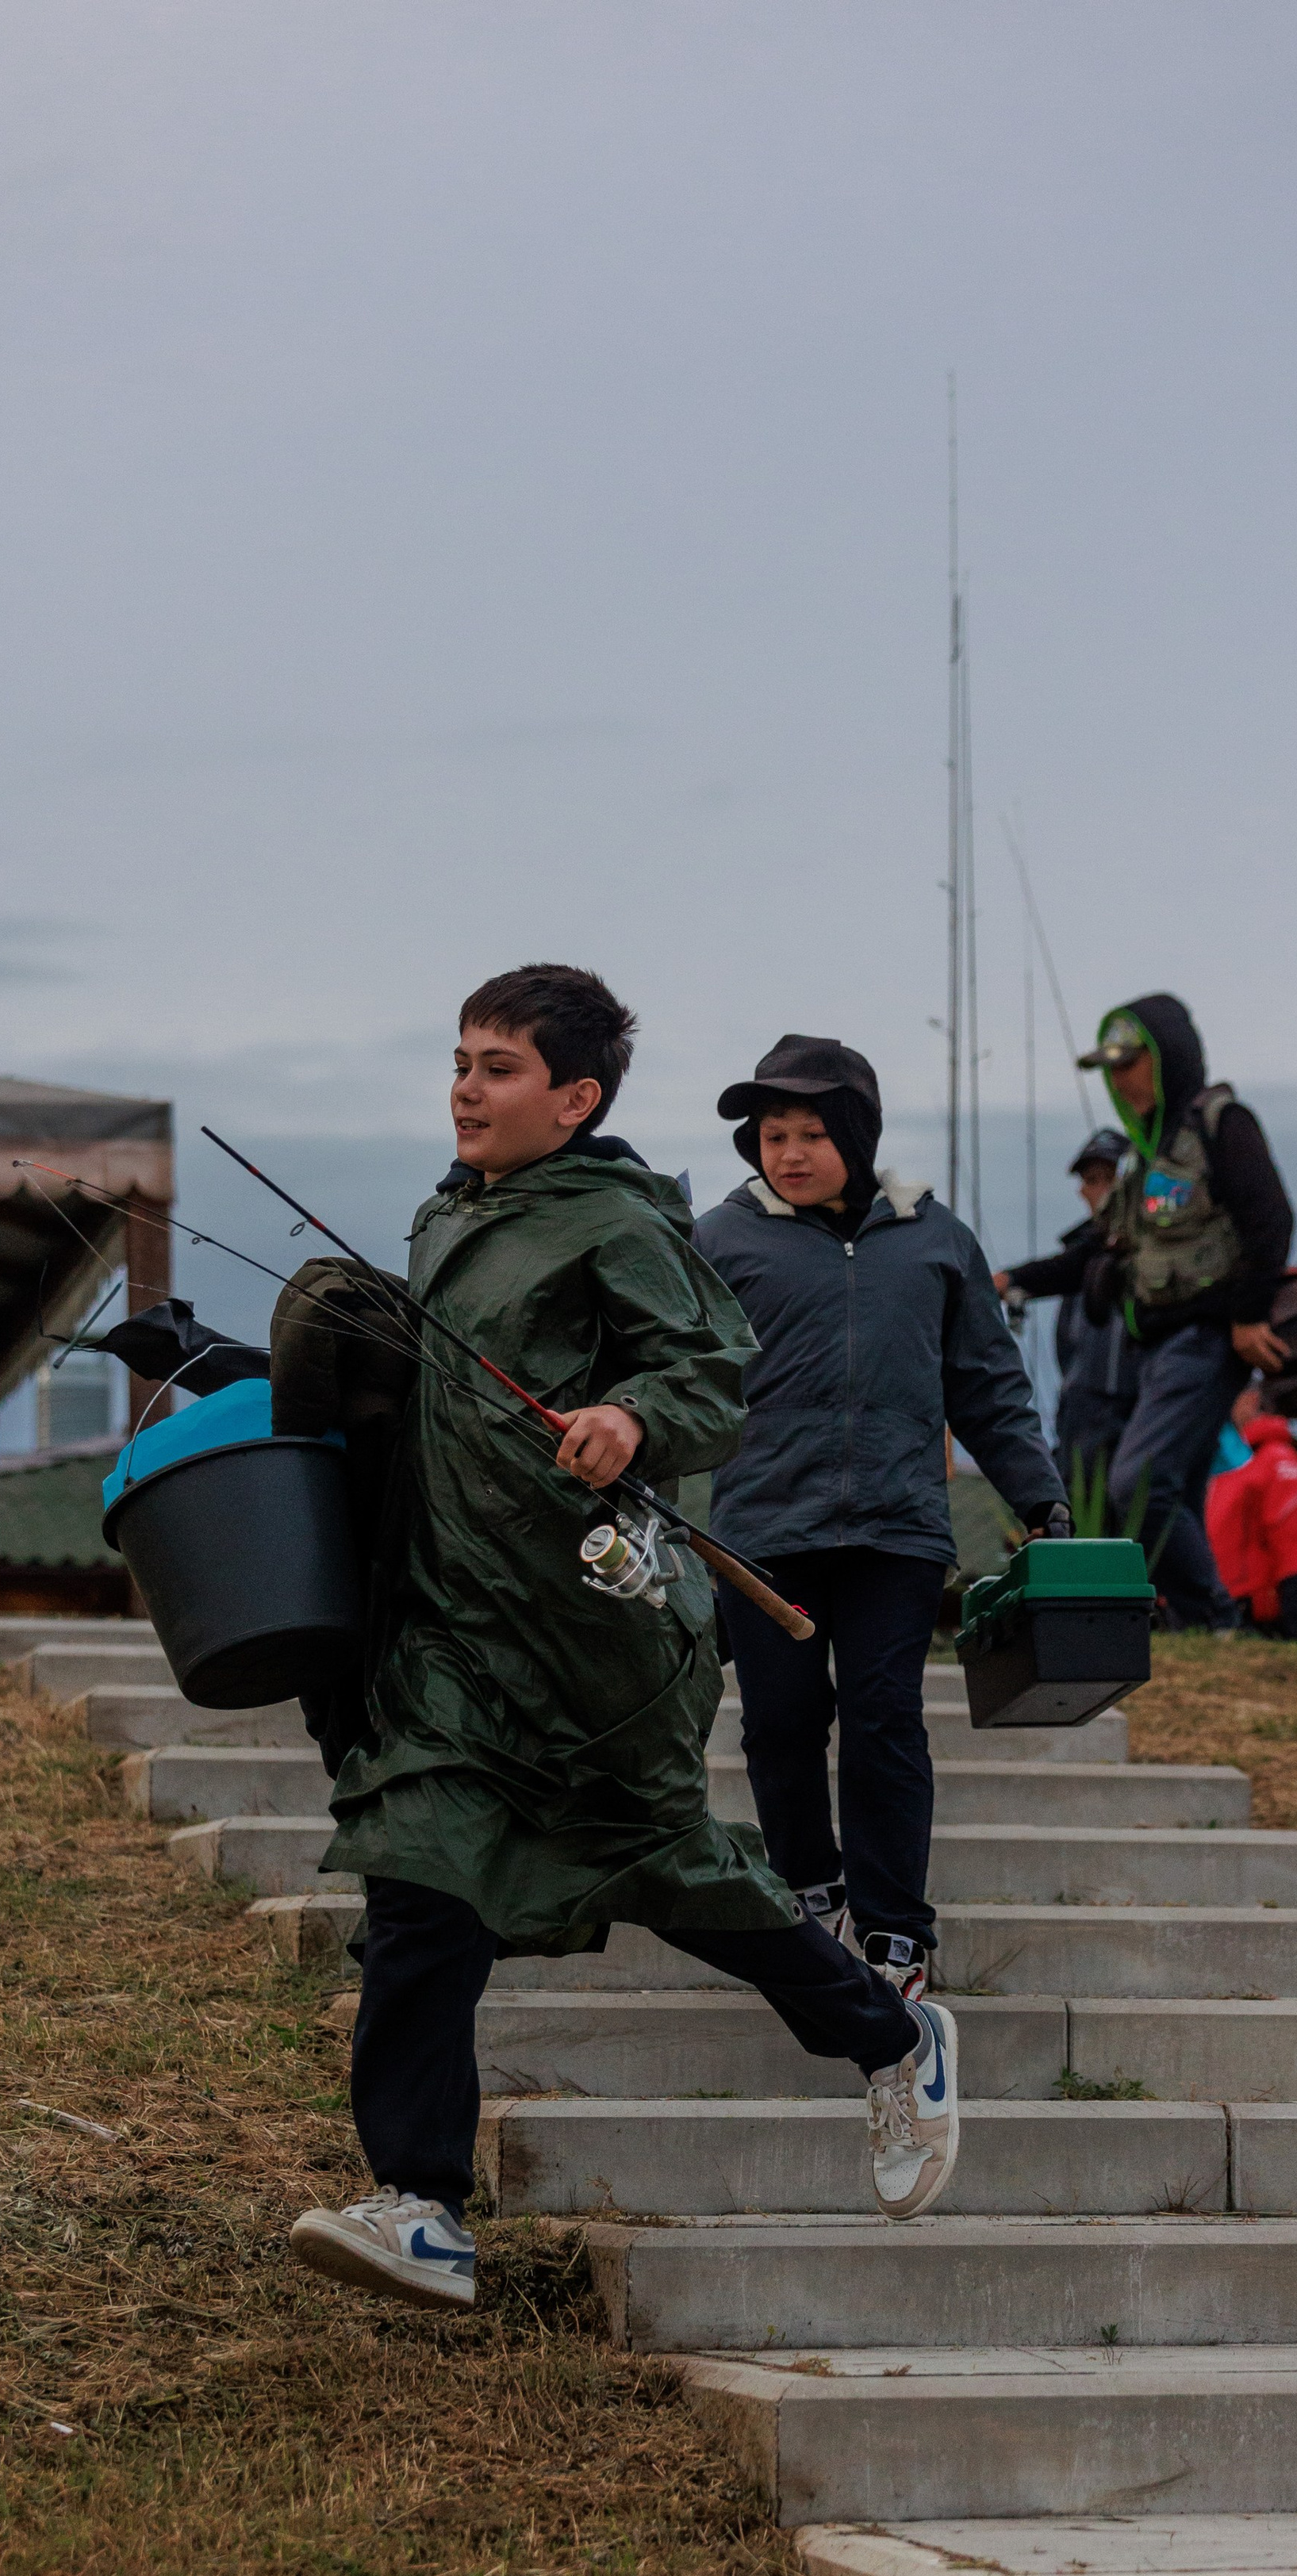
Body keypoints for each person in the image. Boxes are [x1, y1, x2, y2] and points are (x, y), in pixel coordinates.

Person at [286, 969, 960, 2310]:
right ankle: (419, 2205)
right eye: (462, 1061)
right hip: (452, 1631)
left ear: (575, 1098)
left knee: (681, 1874)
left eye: (499, 1067)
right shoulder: (444, 1219)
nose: (467, 1087)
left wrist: (637, 1418)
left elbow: (712, 1368)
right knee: (420, 1879)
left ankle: (890, 2040)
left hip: (589, 1636)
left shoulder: (616, 1222)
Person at [693, 1035, 1067, 2003]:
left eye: (812, 1132)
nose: (789, 1152)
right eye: (772, 1135)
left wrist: (1040, 1499)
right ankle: (814, 1892)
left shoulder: (935, 1238)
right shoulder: (719, 1241)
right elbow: (671, 1377)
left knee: (884, 1718)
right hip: (762, 1529)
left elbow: (987, 1385)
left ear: (855, 1135)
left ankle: (896, 1928)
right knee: (777, 1722)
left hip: (897, 1531)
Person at [1072, 995, 1296, 1629]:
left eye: (1130, 1063)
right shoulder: (1147, 1156)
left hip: (1207, 1337)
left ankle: (1210, 1618)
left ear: (1168, 1057)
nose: (1120, 1080)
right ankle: (1201, 1629)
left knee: (1137, 1484)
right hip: (1161, 1348)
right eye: (1110, 1069)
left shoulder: (1221, 1123)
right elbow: (1092, 1250)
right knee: (1179, 1491)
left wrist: (1249, 1316)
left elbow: (1271, 1218)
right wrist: (1004, 1279)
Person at [993, 1127, 1142, 1505]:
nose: (1099, 1190)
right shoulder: (1084, 1253)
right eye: (1092, 1181)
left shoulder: (1148, 1246)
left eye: (1110, 1178)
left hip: (1136, 1409)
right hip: (1082, 1413)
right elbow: (1063, 1269)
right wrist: (1007, 1281)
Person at [1206, 1381, 1297, 1637]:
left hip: (1253, 1611)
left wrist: (1295, 1614)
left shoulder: (1276, 1459)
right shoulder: (1235, 1459)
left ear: (1250, 1399)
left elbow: (1295, 1539)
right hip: (1226, 1603)